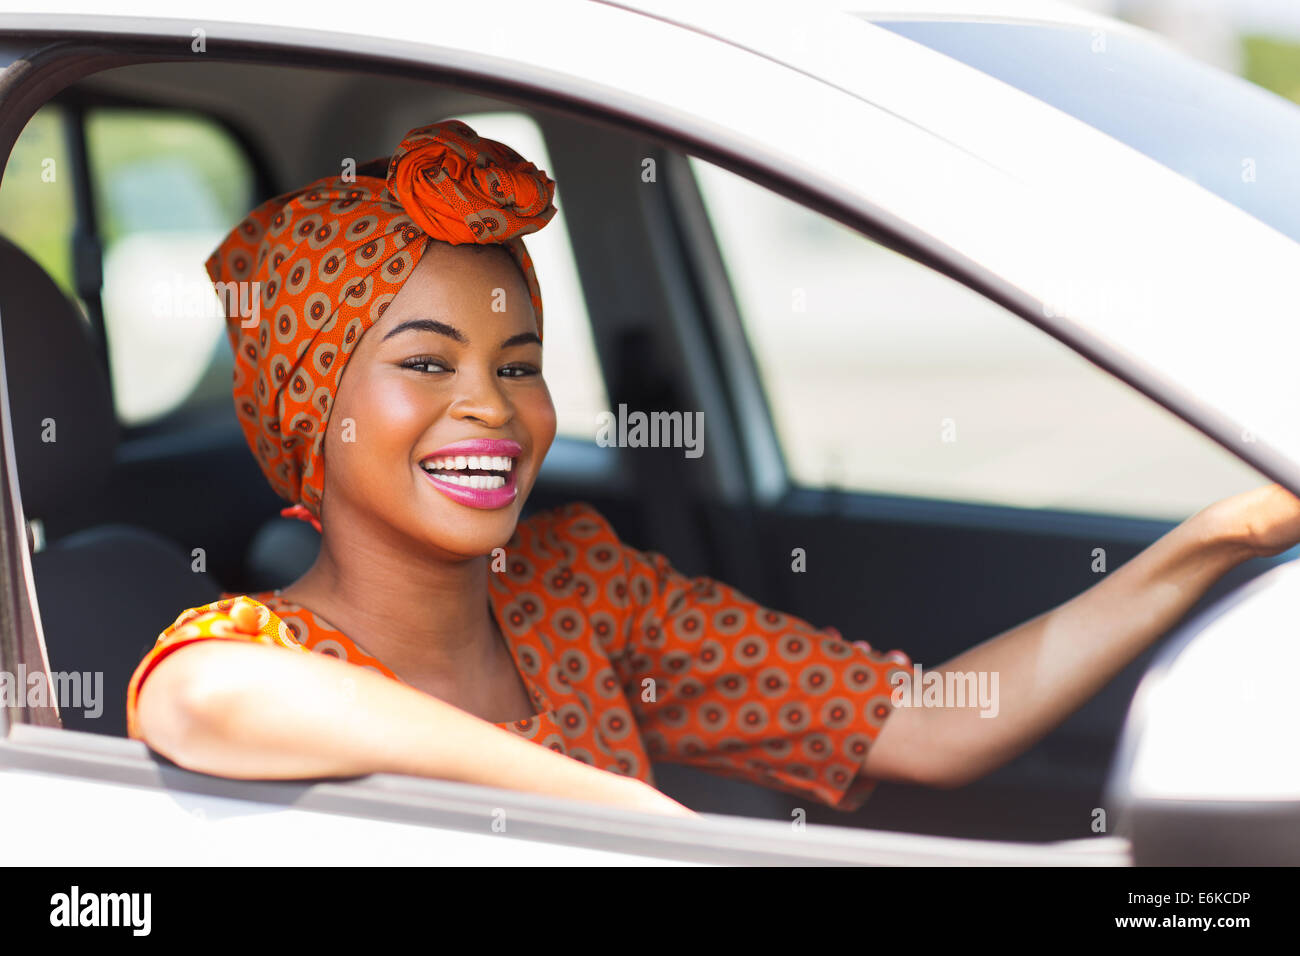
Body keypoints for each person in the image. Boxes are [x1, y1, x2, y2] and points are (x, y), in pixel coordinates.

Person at [127, 118, 1300, 820]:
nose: (491, 402)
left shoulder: (576, 587)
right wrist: (628, 816)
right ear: (306, 404)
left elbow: (935, 724)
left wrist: (1218, 537)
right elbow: (200, 697)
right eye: (425, 361)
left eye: (520, 361)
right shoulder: (255, 652)